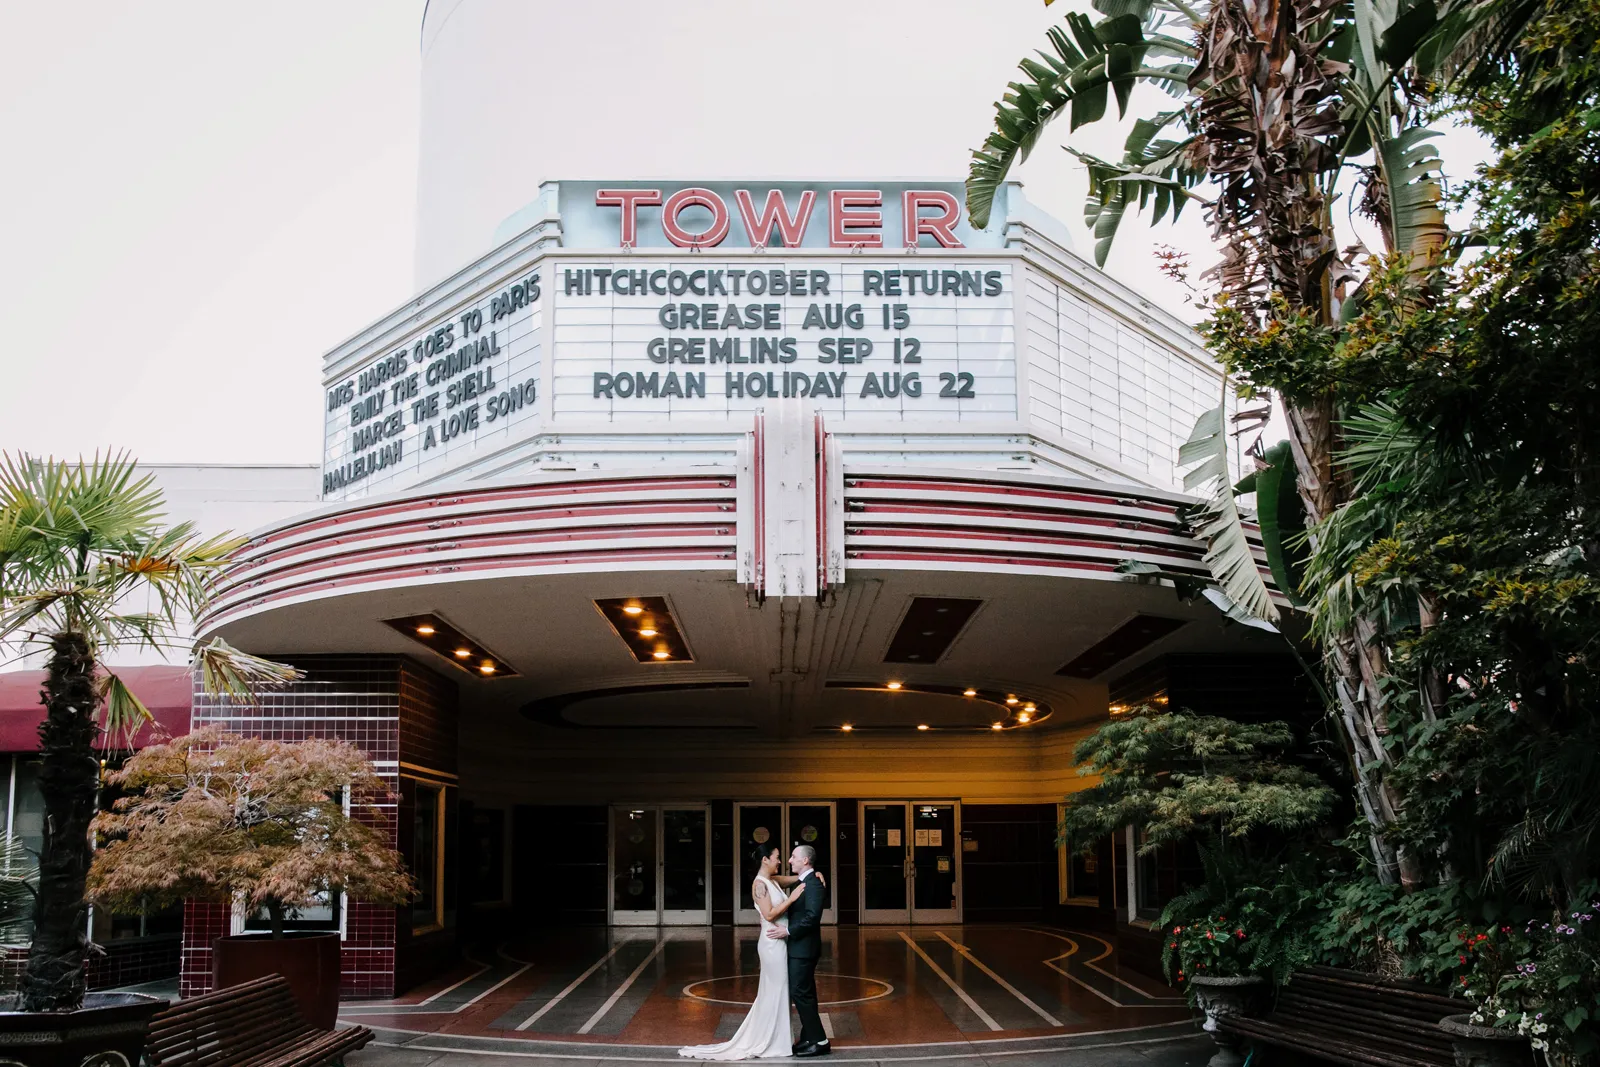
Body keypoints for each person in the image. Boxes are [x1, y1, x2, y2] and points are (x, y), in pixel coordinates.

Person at [678, 845, 808, 1060]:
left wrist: (806, 875)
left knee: (779, 991)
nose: (780, 861)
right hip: (772, 944)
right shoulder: (759, 885)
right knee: (776, 990)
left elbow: (787, 879)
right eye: (776, 858)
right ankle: (771, 1040)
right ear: (765, 859)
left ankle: (779, 1038)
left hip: (779, 941)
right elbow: (769, 914)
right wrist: (792, 899)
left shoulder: (772, 880)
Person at [768, 844, 828, 1057]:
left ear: (805, 861)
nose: (790, 860)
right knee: (805, 993)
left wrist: (788, 931)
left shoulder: (813, 885)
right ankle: (810, 1037)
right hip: (800, 948)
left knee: (800, 993)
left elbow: (812, 917)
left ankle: (819, 1040)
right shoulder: (806, 881)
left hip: (804, 949)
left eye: (793, 857)